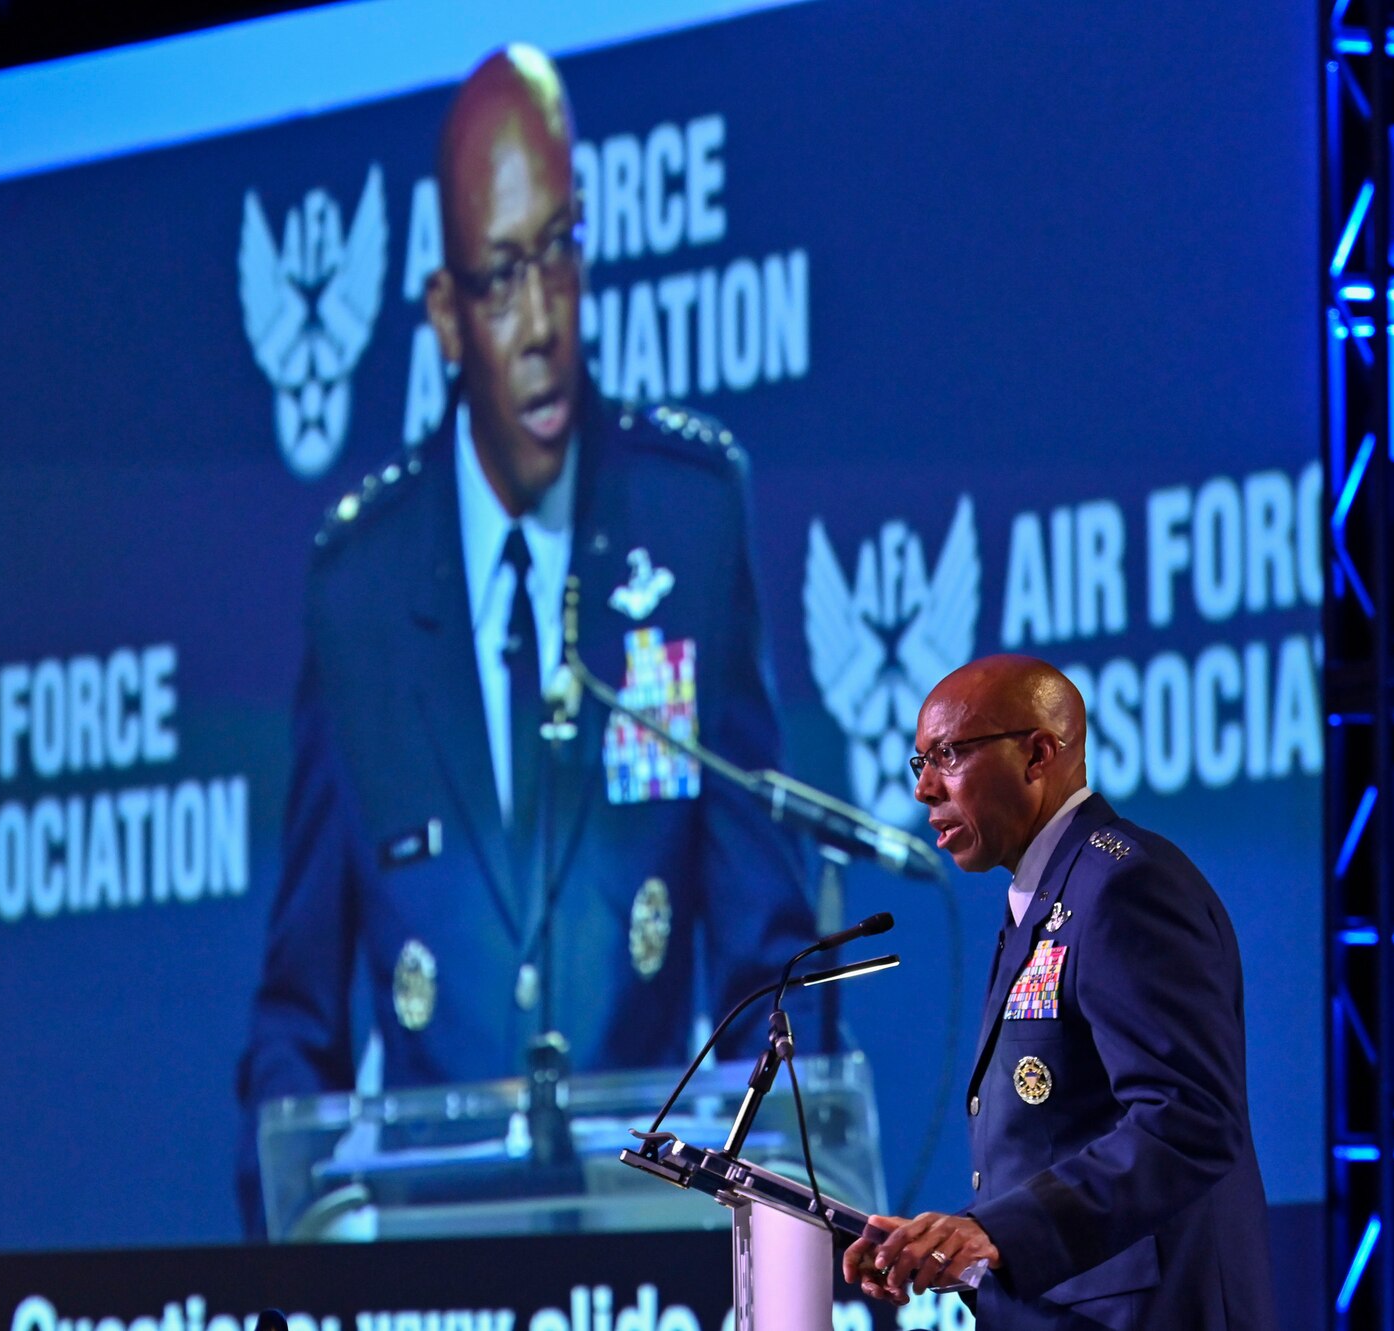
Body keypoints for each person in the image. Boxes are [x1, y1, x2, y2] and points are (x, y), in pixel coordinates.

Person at [235, 46, 816, 1234]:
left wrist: (769, 1220)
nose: (543, 319)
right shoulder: (358, 585)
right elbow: (295, 1019)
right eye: (501, 277)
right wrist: (318, 1242)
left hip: (651, 1269)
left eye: (559, 248)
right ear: (446, 315)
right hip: (432, 1274)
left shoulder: (685, 515)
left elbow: (766, 953)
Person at [843, 656, 1276, 1329]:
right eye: (919, 761)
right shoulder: (1044, 897)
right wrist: (955, 1242)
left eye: (948, 754)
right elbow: (1060, 1140)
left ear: (1037, 754)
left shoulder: (1124, 887)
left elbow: (1190, 1117)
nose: (926, 787)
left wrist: (1002, 1230)